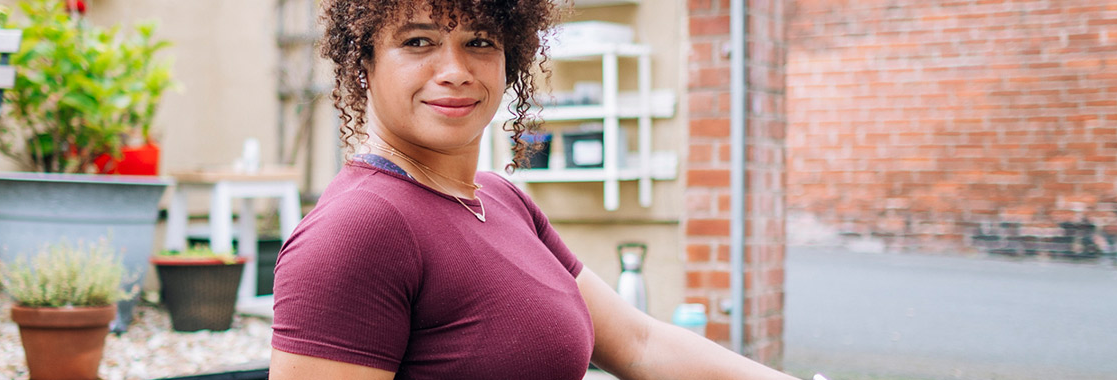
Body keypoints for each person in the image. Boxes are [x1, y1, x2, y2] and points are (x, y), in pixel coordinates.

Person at [270, 1, 801, 379]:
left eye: (479, 41)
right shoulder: (357, 229)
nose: (454, 70)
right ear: (364, 63)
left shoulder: (499, 197)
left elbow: (639, 344)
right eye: (418, 41)